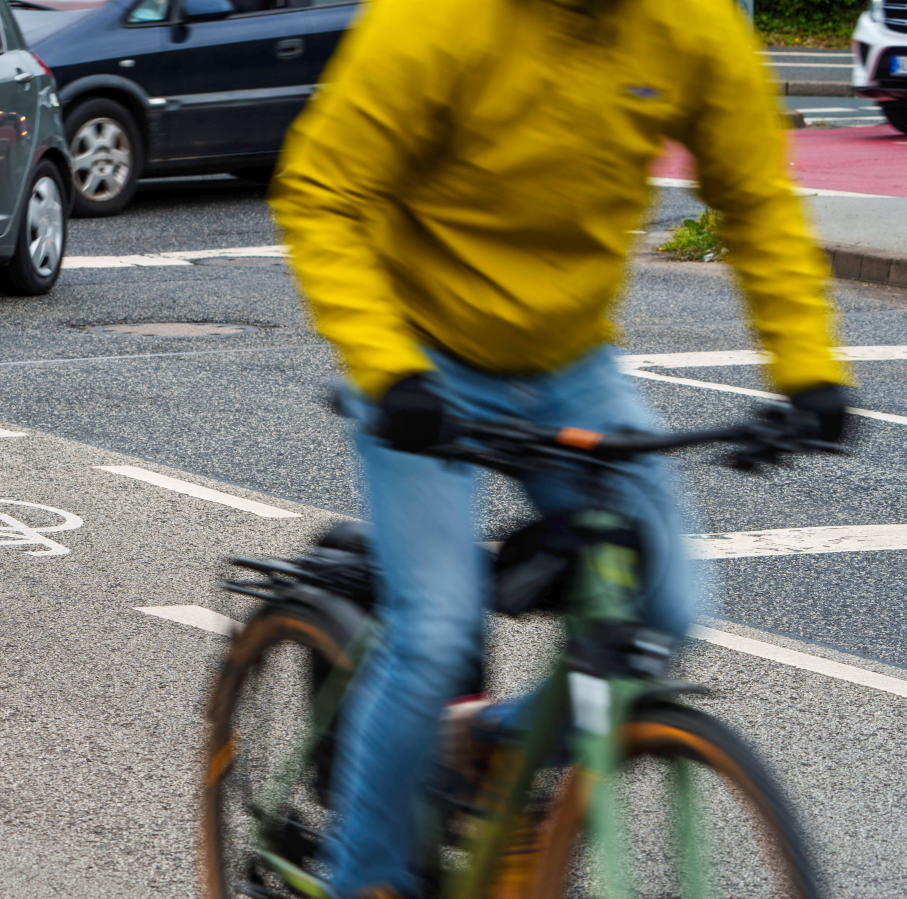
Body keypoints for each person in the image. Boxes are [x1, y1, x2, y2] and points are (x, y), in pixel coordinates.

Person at [268, 0, 852, 895]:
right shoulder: (435, 19)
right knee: (436, 631)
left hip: (570, 361)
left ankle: (492, 743)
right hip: (423, 353)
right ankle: (365, 875)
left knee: (668, 608)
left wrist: (808, 371)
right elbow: (320, 190)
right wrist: (389, 370)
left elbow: (755, 197)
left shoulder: (690, 23)